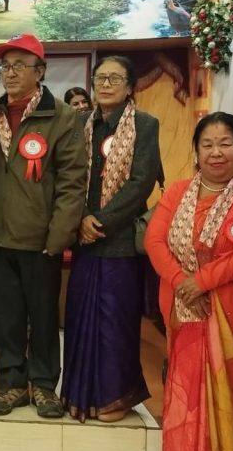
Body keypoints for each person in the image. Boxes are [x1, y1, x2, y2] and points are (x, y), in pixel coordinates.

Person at [145, 112, 233, 451]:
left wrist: (201, 281)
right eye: (207, 144)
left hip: (230, 312)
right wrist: (181, 282)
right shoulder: (176, 192)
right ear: (197, 151)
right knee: (186, 390)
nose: (216, 152)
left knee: (230, 394)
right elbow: (154, 241)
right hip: (183, 308)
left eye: (225, 143)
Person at [0, 34, 87, 418]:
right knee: (6, 319)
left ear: (40, 71)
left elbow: (72, 182)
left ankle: (43, 385)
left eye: (19, 66)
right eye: (5, 66)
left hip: (42, 239)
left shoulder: (61, 116)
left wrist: (58, 237)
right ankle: (12, 385)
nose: (9, 73)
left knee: (43, 318)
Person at [61, 55, 160, 422]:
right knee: (80, 320)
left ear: (130, 86)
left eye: (114, 79)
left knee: (116, 322)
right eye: (100, 78)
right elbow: (68, 176)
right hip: (84, 240)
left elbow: (141, 182)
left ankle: (116, 396)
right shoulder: (79, 123)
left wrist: (98, 221)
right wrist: (80, 219)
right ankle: (81, 395)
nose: (105, 85)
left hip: (119, 241)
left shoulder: (145, 125)